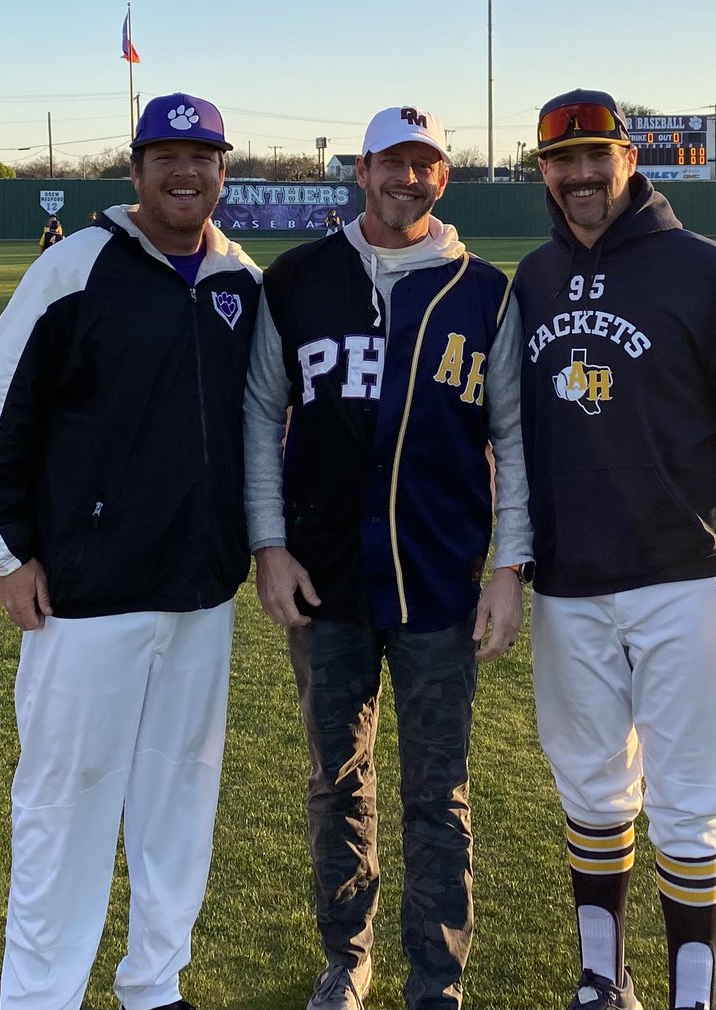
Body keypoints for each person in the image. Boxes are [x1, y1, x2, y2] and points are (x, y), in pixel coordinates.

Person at [512, 89, 716, 1010]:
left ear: (628, 160)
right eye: (561, 162)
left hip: (690, 580)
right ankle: (601, 980)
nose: (579, 177)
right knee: (594, 791)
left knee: (690, 800)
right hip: (569, 588)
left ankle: (693, 993)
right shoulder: (529, 278)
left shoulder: (702, 269)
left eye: (595, 156)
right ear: (543, 172)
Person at [0, 90, 261, 1010]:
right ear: (136, 172)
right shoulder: (74, 267)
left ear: (221, 172)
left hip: (200, 595)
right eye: (165, 155)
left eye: (201, 156)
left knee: (180, 800)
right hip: (86, 597)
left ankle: (154, 984)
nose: (184, 171)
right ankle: (41, 996)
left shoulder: (240, 281)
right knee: (65, 806)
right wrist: (5, 553)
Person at [244, 103, 531, 1010]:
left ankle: (436, 980)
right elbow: (260, 417)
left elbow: (515, 440)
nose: (408, 179)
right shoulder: (297, 280)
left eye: (425, 165)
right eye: (390, 163)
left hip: (439, 578)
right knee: (336, 781)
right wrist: (269, 546)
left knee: (438, 791)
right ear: (358, 171)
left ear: (442, 178)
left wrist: (508, 570)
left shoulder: (486, 291)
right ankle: (347, 956)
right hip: (324, 577)